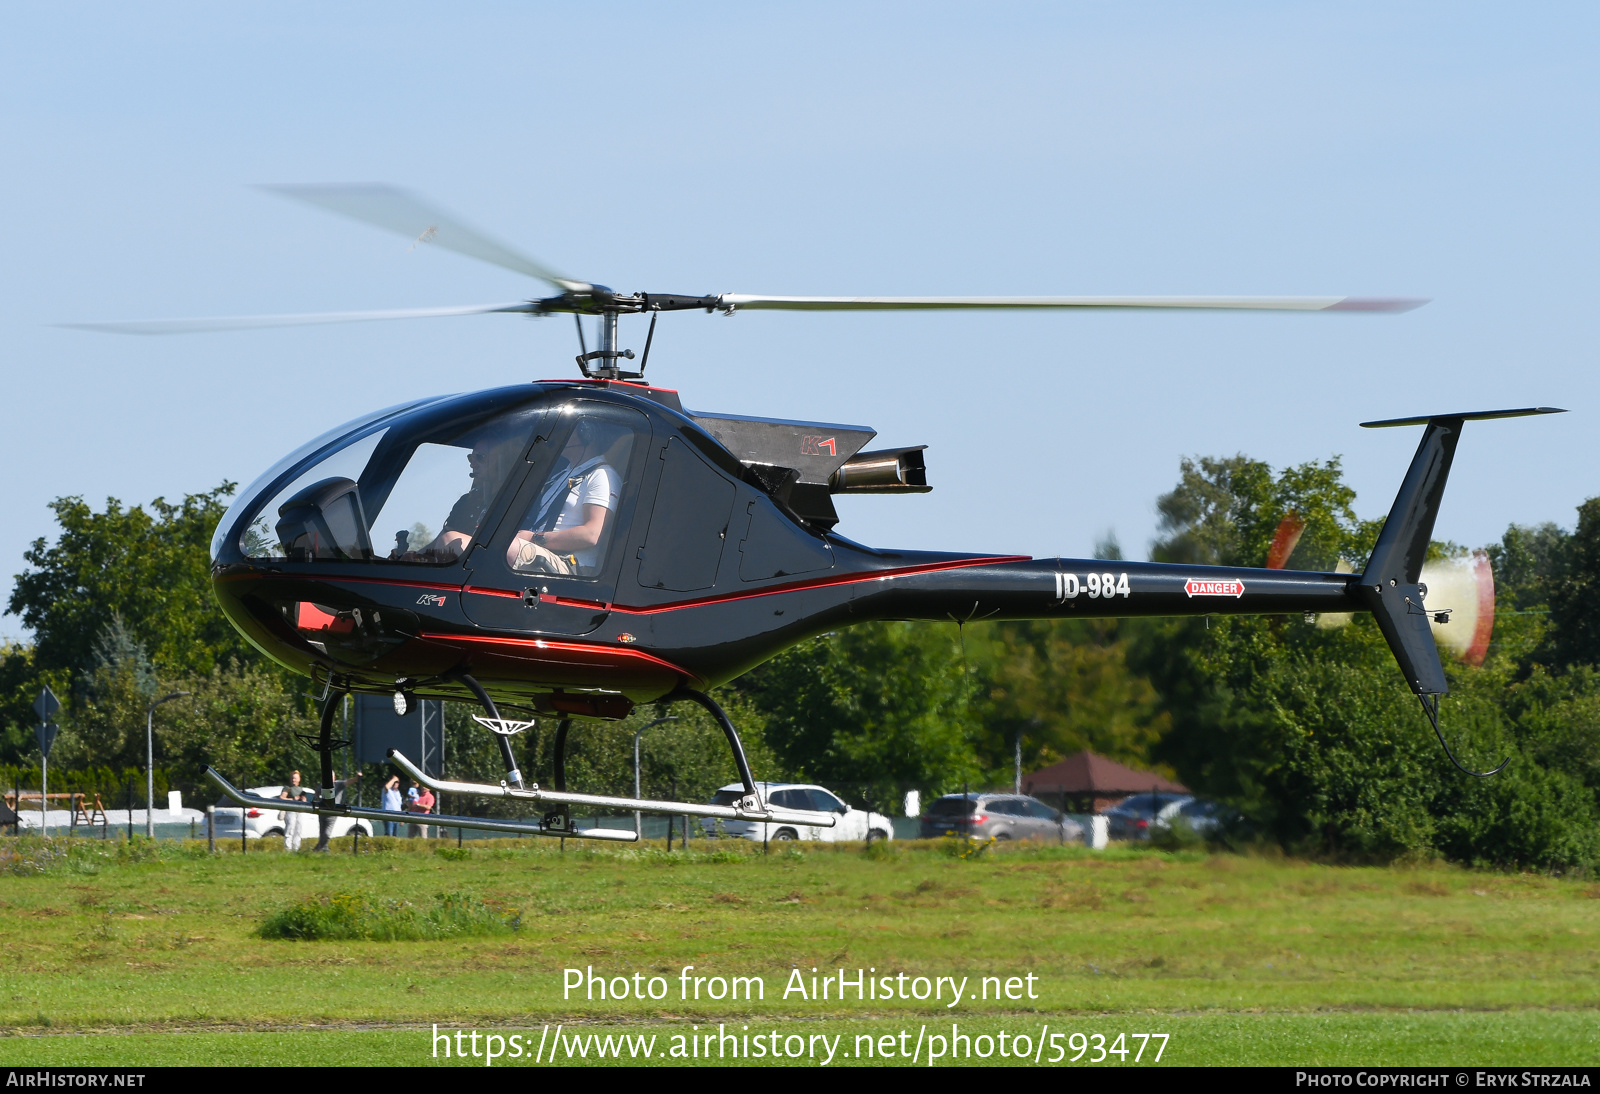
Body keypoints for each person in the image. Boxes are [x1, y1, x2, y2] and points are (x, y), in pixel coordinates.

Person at [506, 419, 623, 576]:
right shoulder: (561, 475)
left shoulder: (602, 474)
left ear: (587, 434)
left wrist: (533, 538)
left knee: (500, 548)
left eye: (568, 430)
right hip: (542, 553)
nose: (559, 435)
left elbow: (591, 535)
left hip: (568, 564)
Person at [401, 428, 525, 563]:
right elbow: (442, 539)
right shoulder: (467, 501)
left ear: (503, 460)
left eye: (480, 457)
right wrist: (414, 558)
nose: (473, 463)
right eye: (471, 457)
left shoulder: (516, 499)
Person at [310, 770, 362, 852]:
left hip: (332, 814)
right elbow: (316, 792)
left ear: (334, 778)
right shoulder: (321, 786)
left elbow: (348, 782)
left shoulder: (338, 785)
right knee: (322, 834)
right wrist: (318, 798)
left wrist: (356, 778)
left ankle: (317, 849)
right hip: (322, 813)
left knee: (326, 834)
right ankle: (324, 850)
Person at [279, 770, 307, 852]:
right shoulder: (287, 788)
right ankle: (288, 848)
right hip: (290, 810)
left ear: (299, 779)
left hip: (299, 810)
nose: (293, 780)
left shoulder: (301, 789)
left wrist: (303, 799)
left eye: (295, 778)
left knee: (298, 829)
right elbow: (281, 798)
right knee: (290, 828)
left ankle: (296, 848)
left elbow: (305, 800)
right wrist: (292, 799)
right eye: (292, 778)